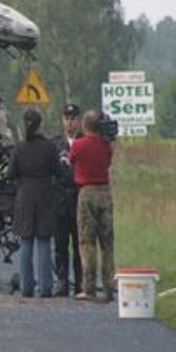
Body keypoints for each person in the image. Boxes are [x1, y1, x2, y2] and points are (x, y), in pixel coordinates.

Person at [7, 109, 61, 298]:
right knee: (44, 241)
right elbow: (58, 171)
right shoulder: (50, 147)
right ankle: (46, 287)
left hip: (25, 197)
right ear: (40, 125)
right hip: (45, 195)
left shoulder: (19, 148)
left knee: (26, 240)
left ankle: (26, 287)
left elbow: (10, 174)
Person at [69, 109, 115, 302]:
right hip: (105, 192)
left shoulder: (79, 145)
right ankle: (108, 287)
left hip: (86, 192)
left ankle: (88, 287)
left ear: (84, 125)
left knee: (87, 242)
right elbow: (108, 162)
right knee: (107, 243)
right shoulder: (106, 146)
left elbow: (72, 160)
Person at [52, 103, 83, 297]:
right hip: (61, 199)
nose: (70, 123)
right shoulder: (55, 144)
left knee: (79, 243)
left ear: (78, 121)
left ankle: (80, 283)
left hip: (79, 197)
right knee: (60, 244)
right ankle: (62, 282)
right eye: (67, 119)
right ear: (63, 121)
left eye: (73, 119)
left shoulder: (85, 142)